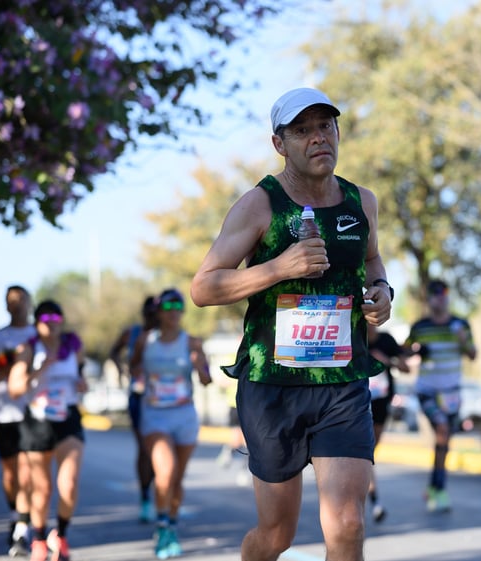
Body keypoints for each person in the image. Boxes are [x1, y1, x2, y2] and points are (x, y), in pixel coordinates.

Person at [190, 86, 392, 561]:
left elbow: (374, 259)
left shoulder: (362, 202)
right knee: (276, 534)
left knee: (347, 524)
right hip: (272, 385)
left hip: (342, 381)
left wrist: (382, 292)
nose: (318, 138)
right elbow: (203, 287)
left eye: (325, 126)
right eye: (302, 130)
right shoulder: (260, 205)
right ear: (280, 144)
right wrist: (279, 268)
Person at [128, 288, 212, 559]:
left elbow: (206, 380)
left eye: (179, 306)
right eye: (168, 306)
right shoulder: (145, 340)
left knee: (176, 479)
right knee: (165, 473)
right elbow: (133, 366)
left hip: (184, 416)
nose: (174, 311)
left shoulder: (192, 342)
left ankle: (171, 526)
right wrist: (139, 375)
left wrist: (200, 366)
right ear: (159, 312)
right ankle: (162, 527)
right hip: (155, 416)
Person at [8, 300, 87, 561]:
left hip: (68, 417)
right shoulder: (29, 349)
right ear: (37, 323)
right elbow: (15, 389)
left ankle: (61, 535)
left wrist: (82, 383)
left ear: (62, 321)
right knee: (41, 489)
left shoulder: (73, 344)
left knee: (70, 483)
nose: (51, 324)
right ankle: (39, 538)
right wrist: (40, 369)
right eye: (45, 319)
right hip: (38, 421)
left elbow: (81, 374)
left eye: (56, 318)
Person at [404, 279, 476, 513]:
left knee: (444, 441)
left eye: (444, 293)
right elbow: (404, 351)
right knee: (442, 430)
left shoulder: (460, 324)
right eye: (435, 294)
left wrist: (463, 341)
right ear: (429, 299)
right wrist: (416, 351)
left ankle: (434, 486)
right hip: (427, 392)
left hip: (452, 393)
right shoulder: (420, 327)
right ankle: (440, 489)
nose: (440, 298)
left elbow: (473, 354)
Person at [0, 285, 37, 557]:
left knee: (28, 471)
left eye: (21, 300)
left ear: (29, 302)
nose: (17, 305)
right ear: (5, 305)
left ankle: (23, 526)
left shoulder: (39, 335)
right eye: (11, 301)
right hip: (5, 414)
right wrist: (3, 369)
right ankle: (16, 514)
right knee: (11, 473)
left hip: (34, 413)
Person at [109, 294, 158, 523]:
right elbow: (113, 351)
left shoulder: (169, 334)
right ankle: (146, 496)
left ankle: (161, 490)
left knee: (162, 450)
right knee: (145, 449)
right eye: (149, 312)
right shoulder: (133, 333)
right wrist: (121, 370)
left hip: (164, 400)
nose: (153, 316)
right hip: (139, 397)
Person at [366, 323, 409, 522]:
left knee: (370, 453)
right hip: (357, 402)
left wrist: (386, 361)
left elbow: (405, 367)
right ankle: (374, 500)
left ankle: (371, 496)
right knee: (365, 453)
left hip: (381, 402)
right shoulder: (353, 336)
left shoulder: (386, 340)